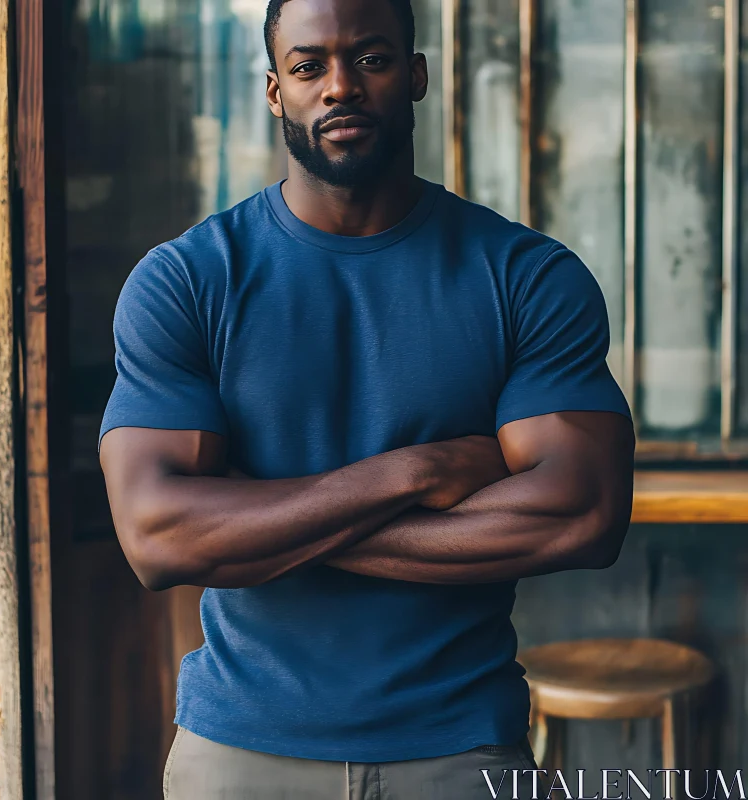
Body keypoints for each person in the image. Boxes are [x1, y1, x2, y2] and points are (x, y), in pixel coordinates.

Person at [98, 0, 635, 796]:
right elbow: (159, 539)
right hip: (241, 755)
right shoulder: (187, 281)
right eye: (309, 66)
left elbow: (583, 514)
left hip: (459, 749)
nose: (340, 86)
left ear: (415, 75)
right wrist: (413, 474)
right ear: (276, 90)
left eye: (372, 59)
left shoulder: (525, 276)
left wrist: (253, 523)